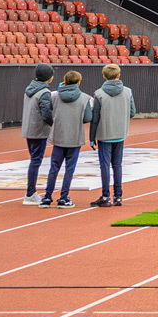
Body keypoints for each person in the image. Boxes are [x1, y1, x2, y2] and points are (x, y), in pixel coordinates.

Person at [38, 70, 93, 208]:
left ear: (65, 81)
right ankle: (63, 197)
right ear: (79, 82)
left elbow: (49, 110)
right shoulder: (84, 98)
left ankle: (47, 197)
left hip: (58, 135)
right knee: (69, 168)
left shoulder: (54, 96)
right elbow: (88, 117)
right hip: (74, 136)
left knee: (54, 168)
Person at [89, 63, 135, 208]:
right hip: (120, 133)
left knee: (105, 166)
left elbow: (95, 118)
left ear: (104, 76)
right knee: (117, 165)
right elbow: (132, 112)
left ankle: (105, 195)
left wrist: (92, 137)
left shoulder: (99, 94)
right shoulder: (127, 91)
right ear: (118, 75)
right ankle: (118, 196)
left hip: (104, 134)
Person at [21, 63, 54, 206]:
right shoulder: (44, 92)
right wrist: (54, 123)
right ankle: (30, 193)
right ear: (49, 77)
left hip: (29, 128)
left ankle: (31, 192)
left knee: (34, 159)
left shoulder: (30, 89)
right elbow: (46, 113)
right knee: (36, 160)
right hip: (39, 130)